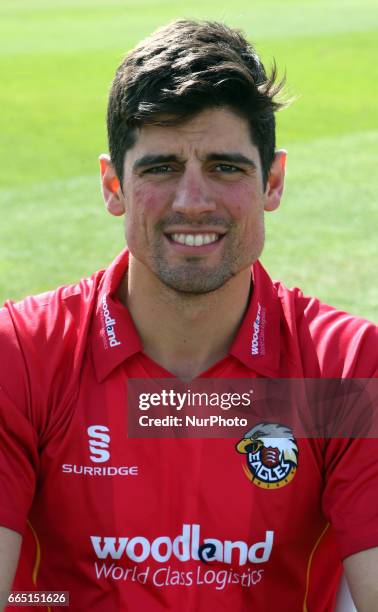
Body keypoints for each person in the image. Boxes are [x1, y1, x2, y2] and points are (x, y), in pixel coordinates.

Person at [0, 19, 377, 612]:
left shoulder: (346, 369)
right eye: (161, 168)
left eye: (226, 167)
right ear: (112, 185)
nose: (192, 201)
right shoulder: (19, 356)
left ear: (272, 181)